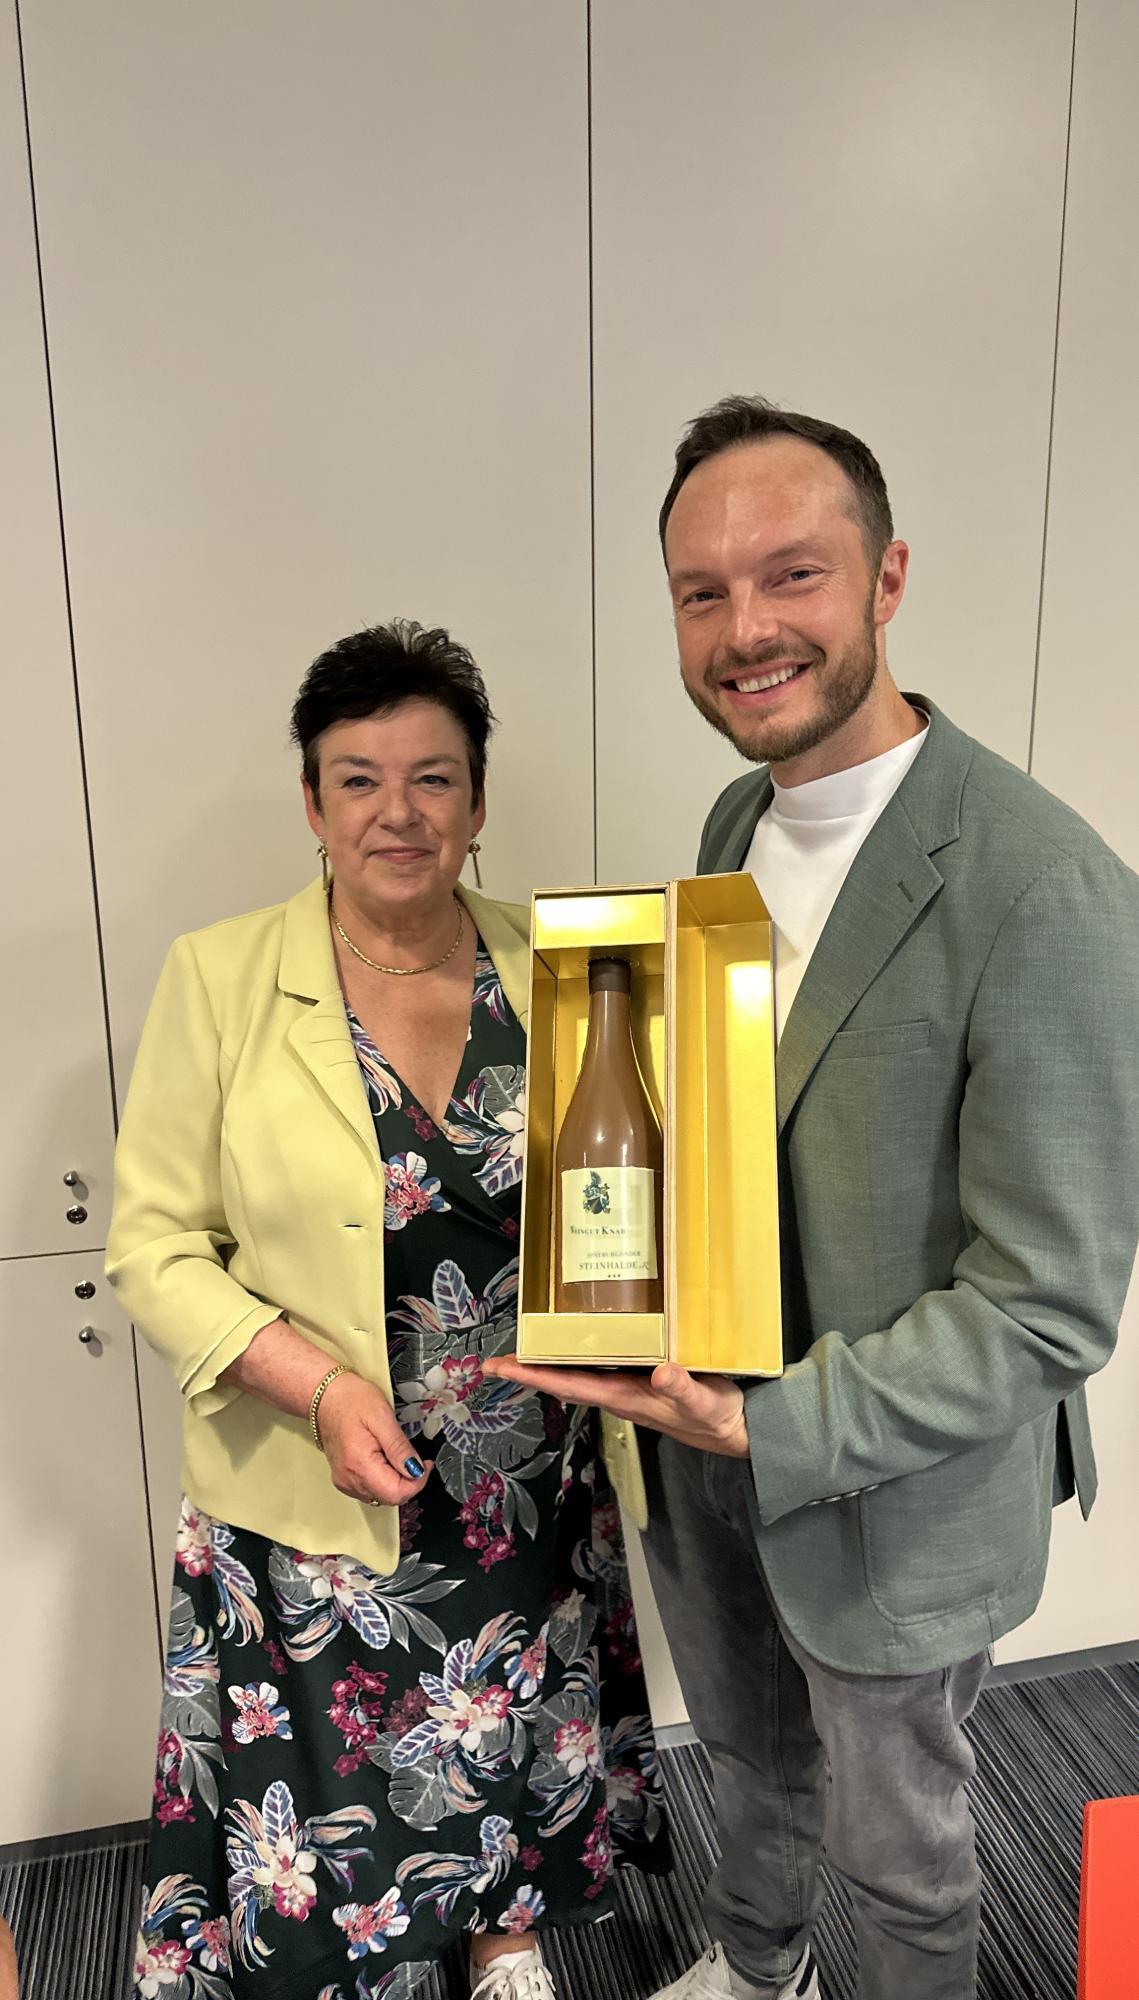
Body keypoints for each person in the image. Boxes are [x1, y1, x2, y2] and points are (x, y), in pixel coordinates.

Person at [485, 397, 1139, 2000]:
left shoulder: (1046, 886)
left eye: (793, 574)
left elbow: (1048, 1305)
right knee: (754, 1763)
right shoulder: (739, 822)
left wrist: (770, 1427)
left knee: (901, 1843)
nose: (745, 630)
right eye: (702, 593)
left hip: (889, 1482)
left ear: (888, 576)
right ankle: (759, 1966)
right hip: (700, 1425)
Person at [109, 620, 668, 2000]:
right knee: (338, 1787)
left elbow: (647, 1185)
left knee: (510, 1718)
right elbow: (156, 1245)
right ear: (312, 804)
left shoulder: (571, 965)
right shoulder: (221, 977)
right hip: (316, 1464)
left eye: (433, 778)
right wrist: (314, 1384)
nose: (397, 812)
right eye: (358, 779)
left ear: (478, 803)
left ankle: (502, 1932)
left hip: (532, 1468)